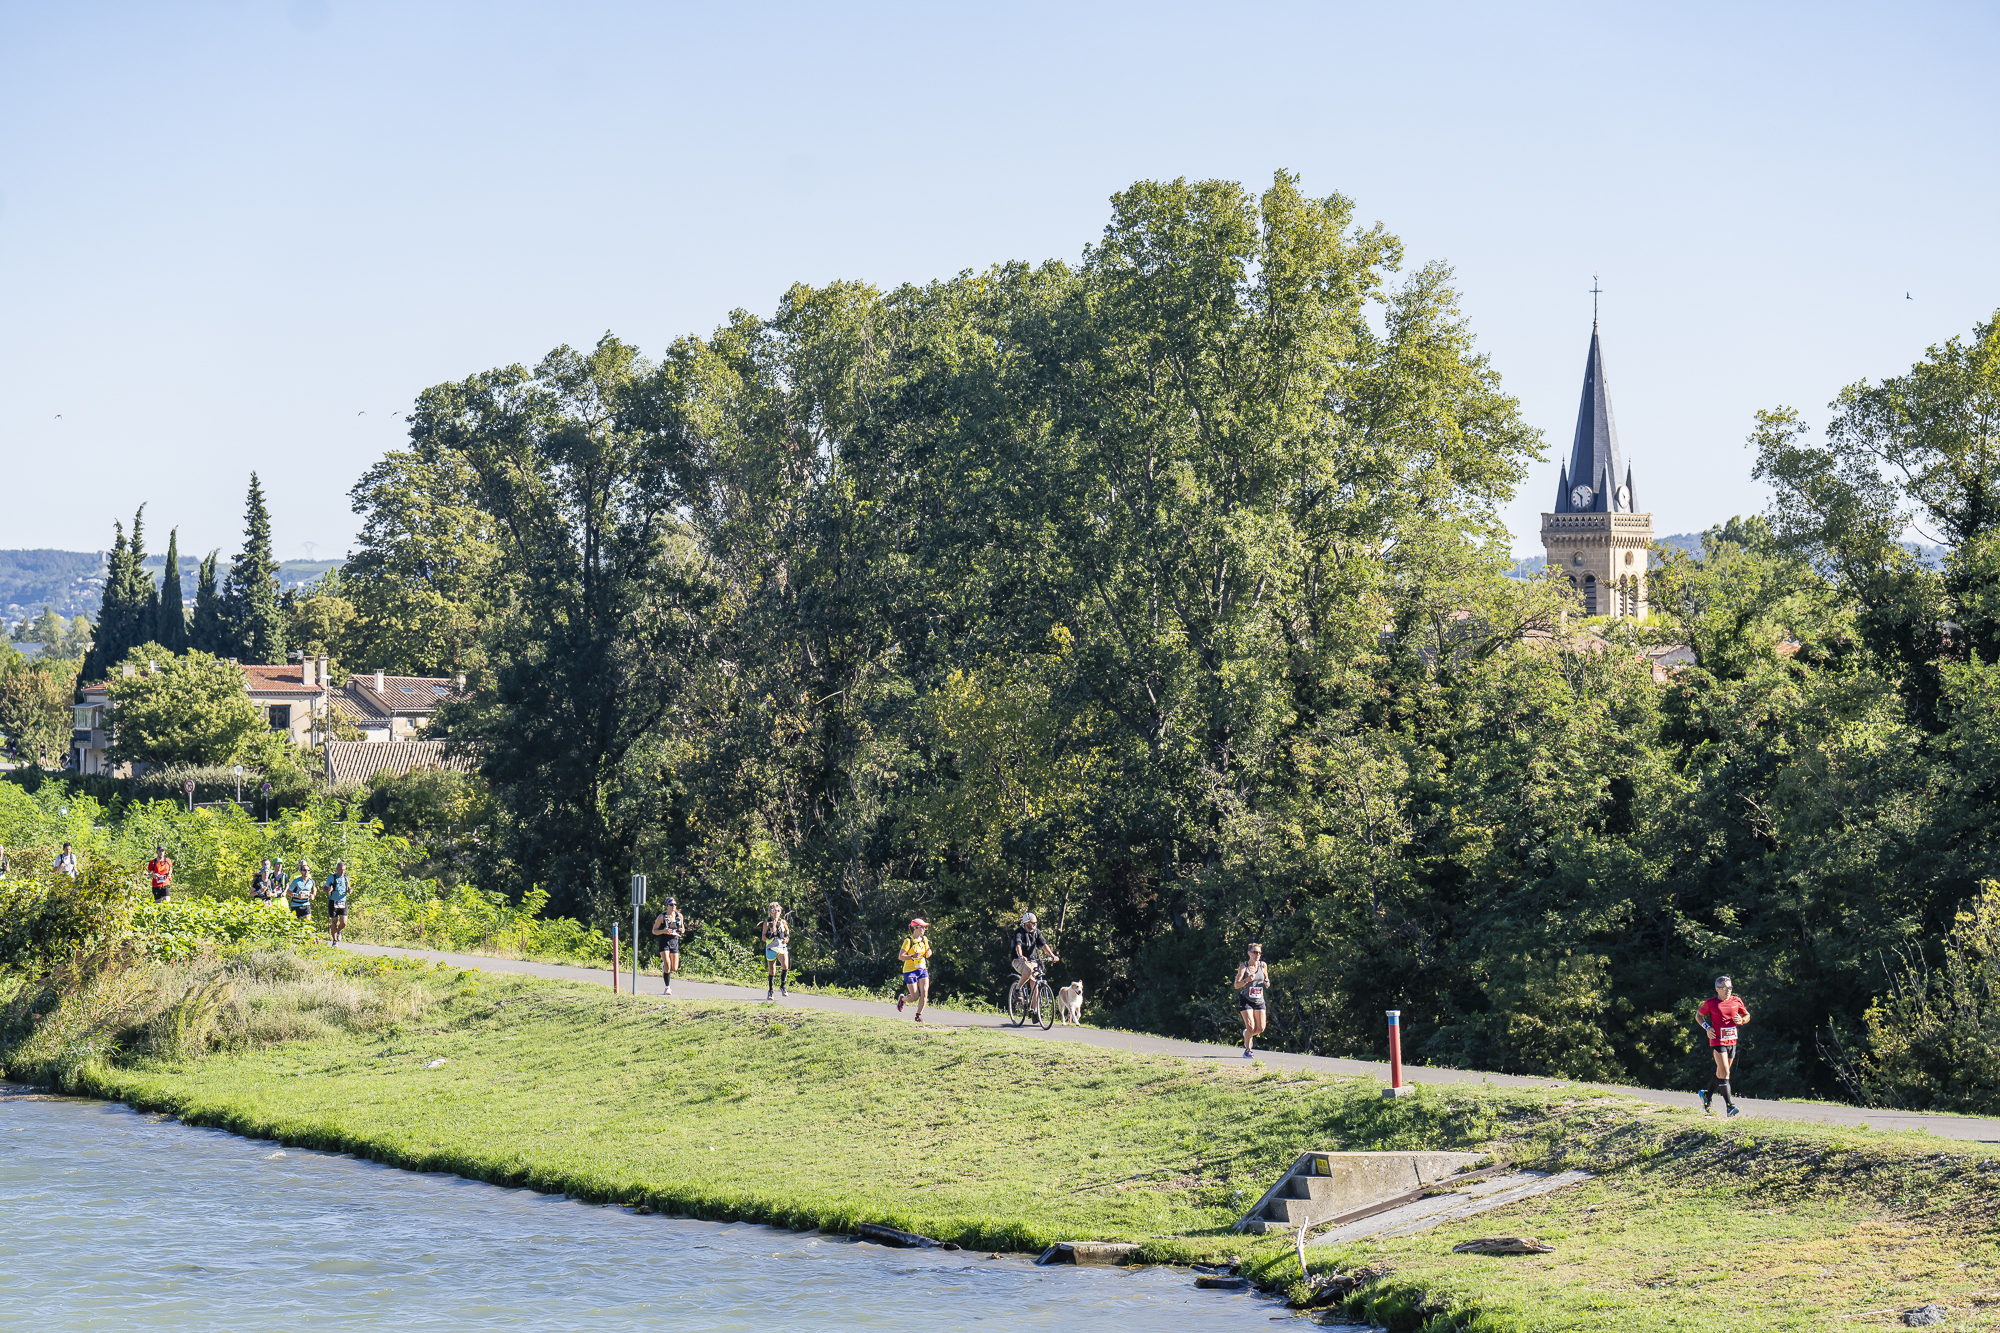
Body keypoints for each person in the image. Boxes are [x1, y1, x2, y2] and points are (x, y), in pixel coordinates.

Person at [1696, 974, 1750, 1117]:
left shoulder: (1736, 1000)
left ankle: (1707, 1095)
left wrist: (1742, 1020)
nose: (1728, 991)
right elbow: (1699, 1016)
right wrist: (1707, 1028)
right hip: (1717, 1040)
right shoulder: (1711, 1002)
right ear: (1717, 989)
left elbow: (1747, 1015)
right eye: (1725, 988)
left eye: (1730, 987)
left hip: (1732, 1041)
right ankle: (1729, 1107)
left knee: (1721, 1072)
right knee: (1725, 1072)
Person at [1009, 912, 1059, 1018]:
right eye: (1033, 923)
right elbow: (1018, 946)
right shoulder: (1018, 932)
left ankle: (1035, 1011)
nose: (1035, 925)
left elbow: (1044, 945)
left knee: (1035, 982)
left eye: (1035, 923)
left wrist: (1052, 956)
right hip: (1019, 960)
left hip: (1032, 961)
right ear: (1026, 923)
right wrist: (1020, 956)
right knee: (1028, 972)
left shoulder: (1037, 932)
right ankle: (1018, 989)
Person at [1233, 943, 1270, 1058]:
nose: (1257, 955)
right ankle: (1248, 1050)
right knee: (1251, 1026)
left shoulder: (1263, 965)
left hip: (1259, 1000)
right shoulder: (1243, 967)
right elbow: (1236, 985)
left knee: (1261, 1028)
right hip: (1246, 1000)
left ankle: (1247, 1035)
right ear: (1249, 953)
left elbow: (1267, 981)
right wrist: (1246, 980)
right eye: (1255, 952)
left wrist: (1266, 982)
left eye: (1259, 953)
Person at [897, 918, 932, 1021]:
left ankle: (918, 1015)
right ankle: (903, 999)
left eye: (924, 927)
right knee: (914, 997)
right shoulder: (908, 941)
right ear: (915, 928)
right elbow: (901, 956)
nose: (924, 929)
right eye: (922, 927)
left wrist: (929, 952)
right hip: (910, 971)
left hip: (922, 969)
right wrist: (912, 956)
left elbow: (928, 951)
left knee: (924, 992)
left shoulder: (924, 939)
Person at [652, 896, 685, 995]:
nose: (673, 906)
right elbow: (654, 931)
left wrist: (682, 930)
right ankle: (667, 987)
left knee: (674, 968)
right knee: (667, 966)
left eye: (675, 904)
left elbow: (683, 928)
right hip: (664, 942)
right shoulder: (662, 917)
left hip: (674, 941)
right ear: (667, 906)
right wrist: (663, 931)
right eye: (671, 905)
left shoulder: (679, 916)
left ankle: (665, 966)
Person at [760, 902, 790, 1000]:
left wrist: (787, 938)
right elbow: (763, 938)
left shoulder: (783, 922)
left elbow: (787, 931)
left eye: (778, 910)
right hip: (771, 948)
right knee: (772, 971)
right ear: (770, 912)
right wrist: (770, 933)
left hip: (781, 947)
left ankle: (783, 986)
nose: (776, 912)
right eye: (774, 911)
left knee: (785, 966)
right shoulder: (767, 923)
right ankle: (771, 991)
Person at [324, 861, 351, 944]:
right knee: (334, 922)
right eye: (340, 870)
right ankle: (335, 941)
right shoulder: (331, 878)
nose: (342, 872)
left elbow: (348, 887)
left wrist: (350, 890)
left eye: (343, 870)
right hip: (333, 902)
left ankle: (338, 931)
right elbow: (324, 889)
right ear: (337, 869)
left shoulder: (346, 878)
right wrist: (328, 890)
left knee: (344, 923)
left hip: (343, 901)